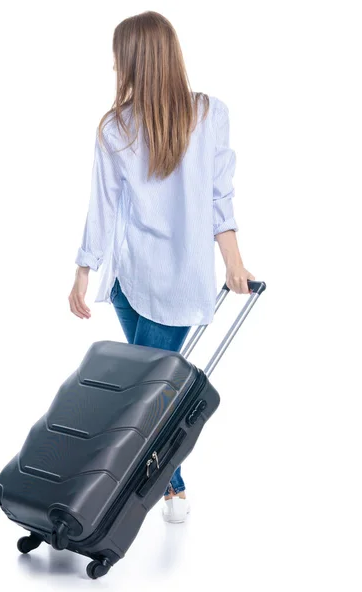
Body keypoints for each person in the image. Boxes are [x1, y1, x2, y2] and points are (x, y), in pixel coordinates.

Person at [68, 11, 254, 524]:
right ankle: (166, 491)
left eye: (117, 57)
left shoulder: (193, 116)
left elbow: (106, 208)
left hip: (142, 280)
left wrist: (85, 270)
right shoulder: (185, 116)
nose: (113, 66)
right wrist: (84, 270)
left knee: (147, 397)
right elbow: (220, 199)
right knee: (149, 396)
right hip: (163, 283)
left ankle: (141, 493)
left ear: (132, 60)